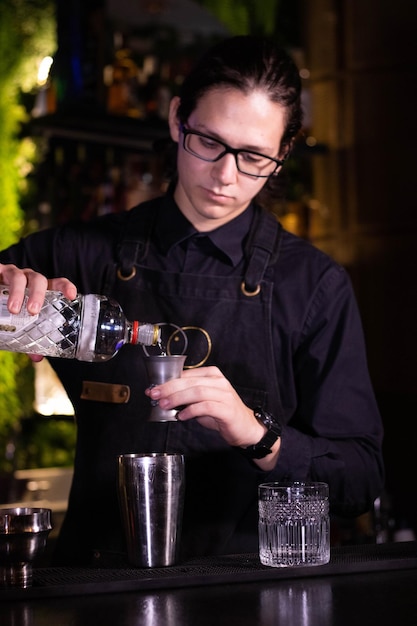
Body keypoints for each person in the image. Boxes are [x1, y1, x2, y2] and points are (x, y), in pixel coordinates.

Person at [0, 35, 384, 565]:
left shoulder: (313, 285)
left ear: (284, 153)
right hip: (96, 585)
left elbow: (359, 479)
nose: (226, 176)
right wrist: (8, 285)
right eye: (210, 142)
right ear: (178, 119)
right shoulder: (79, 253)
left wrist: (257, 434)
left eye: (254, 157)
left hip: (249, 591)